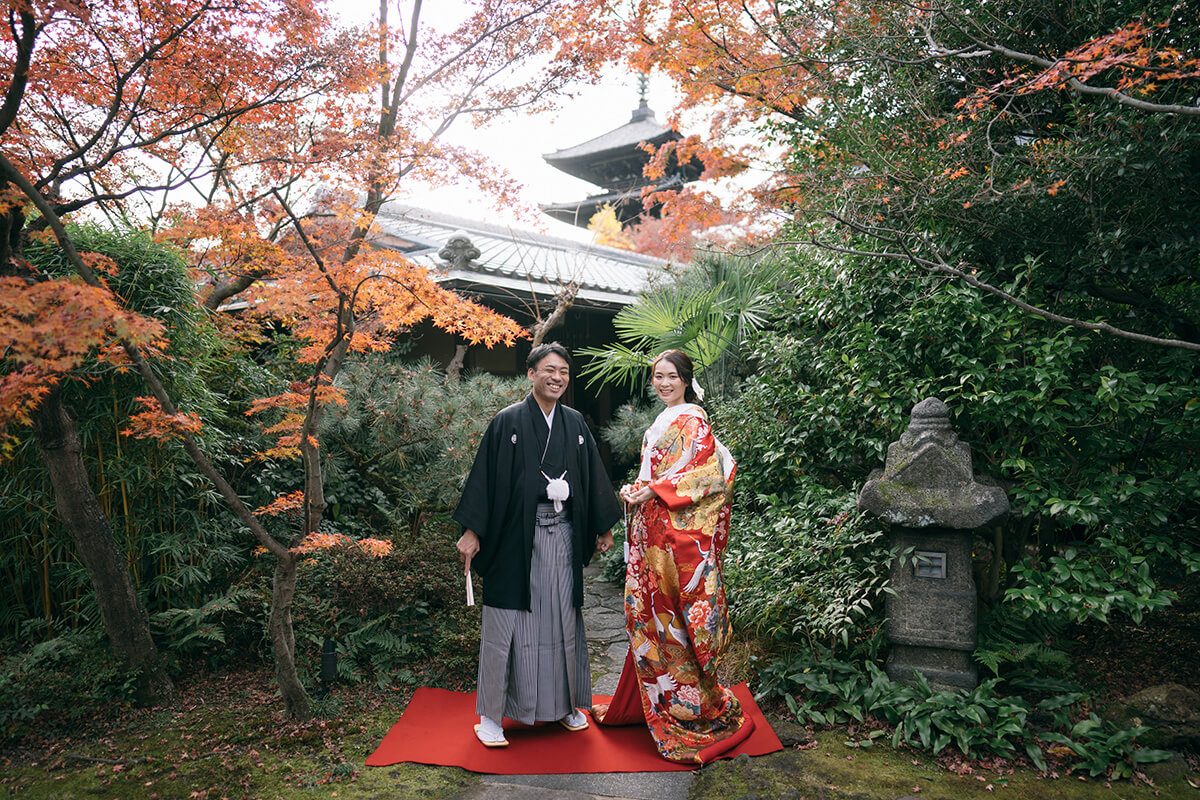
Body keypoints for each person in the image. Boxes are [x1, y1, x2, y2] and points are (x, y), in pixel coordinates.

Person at [454, 342, 622, 748]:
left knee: (562, 619)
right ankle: (492, 717)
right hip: (516, 535)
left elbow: (591, 476)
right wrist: (472, 531)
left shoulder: (575, 423)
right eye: (549, 369)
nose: (557, 377)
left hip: (562, 532)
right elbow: (485, 481)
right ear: (531, 373)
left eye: (564, 371)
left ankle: (564, 706)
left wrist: (602, 526)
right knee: (506, 624)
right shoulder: (506, 421)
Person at [592, 349, 753, 763]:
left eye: (671, 377)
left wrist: (654, 491)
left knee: (675, 617)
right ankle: (657, 698)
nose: (663, 383)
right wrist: (636, 489)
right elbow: (655, 475)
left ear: (686, 379)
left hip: (676, 539)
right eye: (658, 377)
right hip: (653, 532)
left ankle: (691, 705)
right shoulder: (662, 421)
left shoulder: (694, 420)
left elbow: (705, 479)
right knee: (649, 616)